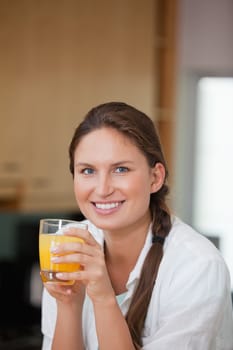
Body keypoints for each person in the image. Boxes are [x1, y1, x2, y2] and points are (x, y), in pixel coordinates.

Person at [41, 102, 233, 350]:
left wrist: (103, 298)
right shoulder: (68, 245)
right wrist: (68, 305)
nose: (102, 189)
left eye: (121, 169)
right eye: (88, 170)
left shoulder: (198, 267)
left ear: (155, 178)